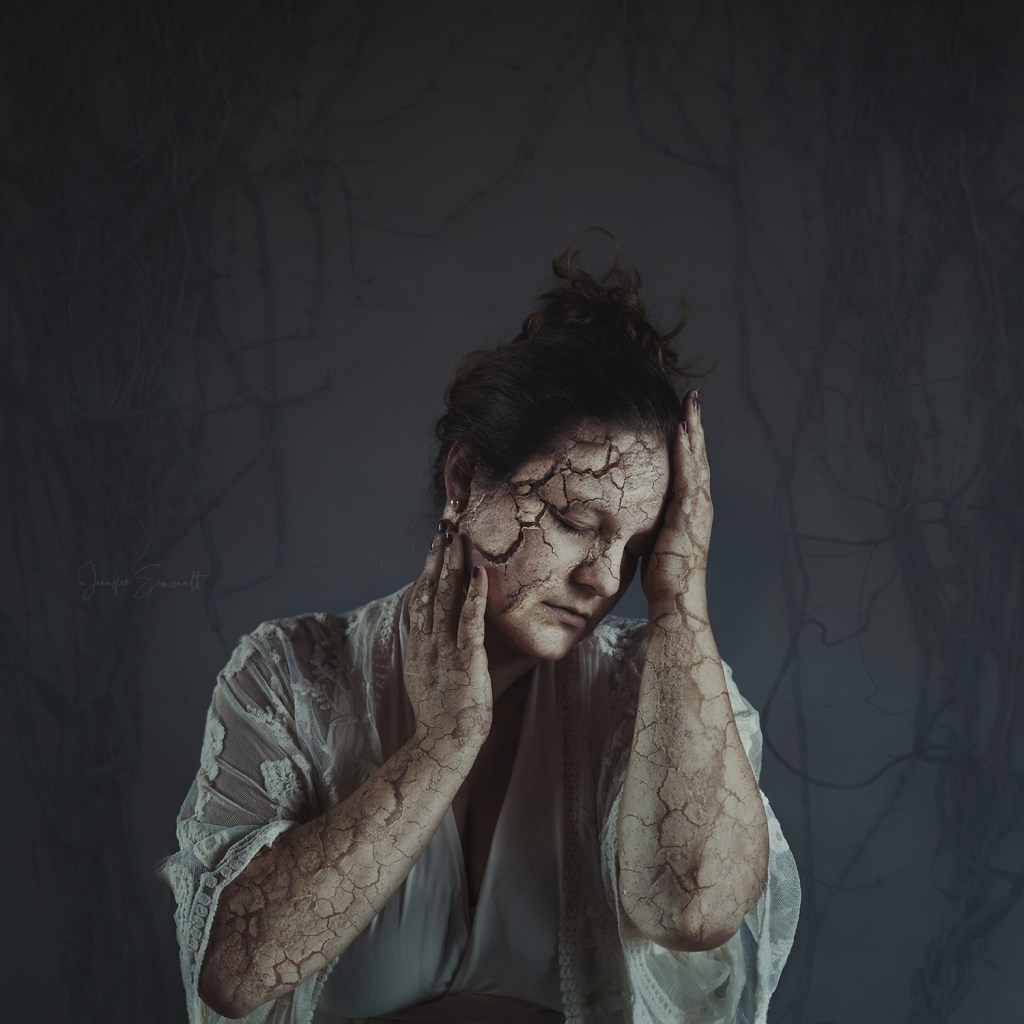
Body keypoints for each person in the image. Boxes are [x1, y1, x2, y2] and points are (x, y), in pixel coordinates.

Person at [159, 238, 801, 1024]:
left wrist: (680, 599)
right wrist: (444, 744)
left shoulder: (660, 691)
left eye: (636, 548)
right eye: (574, 522)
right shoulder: (287, 675)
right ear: (465, 479)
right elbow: (232, 974)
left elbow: (692, 911)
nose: (607, 579)